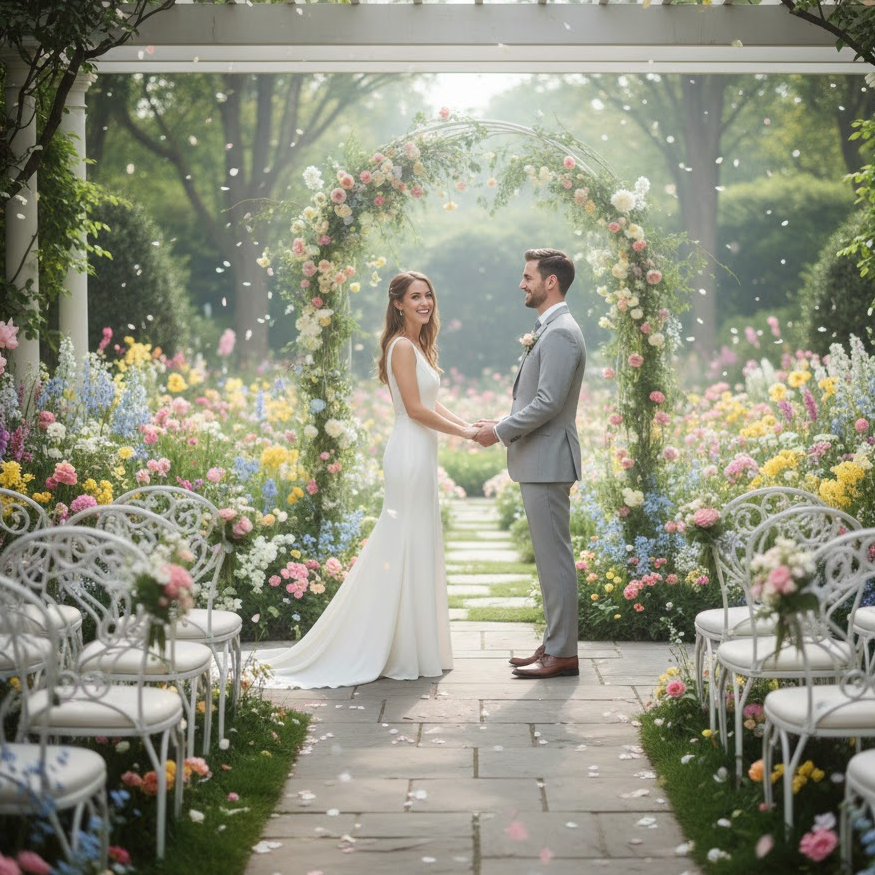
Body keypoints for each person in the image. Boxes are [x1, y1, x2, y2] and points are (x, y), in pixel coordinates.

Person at [258, 271, 478, 688]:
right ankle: (388, 645)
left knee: (418, 540)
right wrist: (467, 434)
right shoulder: (399, 346)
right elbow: (414, 408)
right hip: (409, 452)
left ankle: (414, 642)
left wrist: (470, 424)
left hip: (422, 450)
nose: (424, 302)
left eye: (428, 294)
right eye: (415, 296)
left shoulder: (418, 346)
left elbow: (434, 402)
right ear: (398, 304)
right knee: (402, 540)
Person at [473, 248, 586, 679]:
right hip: (541, 459)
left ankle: (562, 654)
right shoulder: (552, 327)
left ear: (550, 281)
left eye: (528, 277)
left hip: (547, 461)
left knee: (555, 560)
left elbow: (548, 402)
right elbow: (542, 399)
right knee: (548, 560)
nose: (522, 284)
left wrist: (500, 432)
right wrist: (503, 420)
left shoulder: (559, 332)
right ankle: (556, 645)